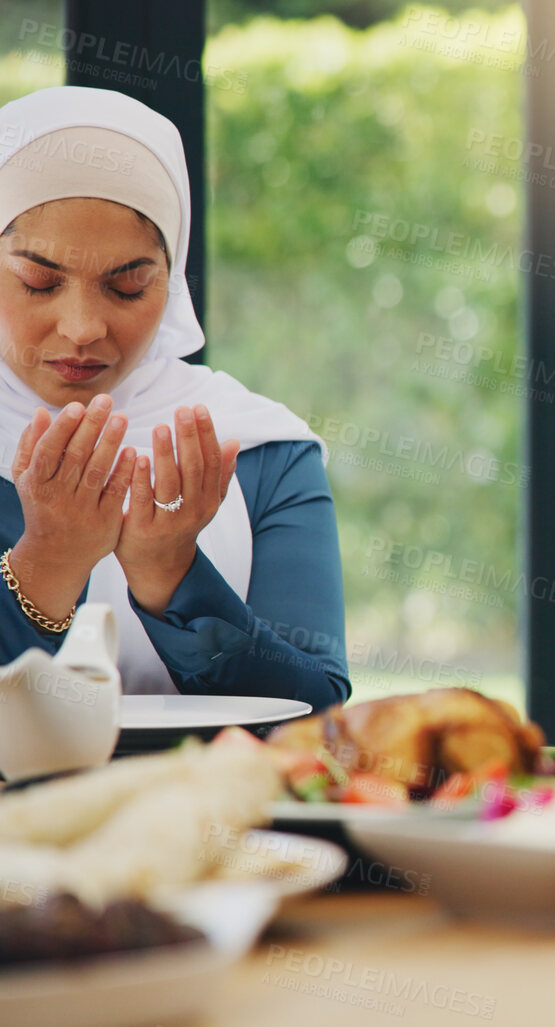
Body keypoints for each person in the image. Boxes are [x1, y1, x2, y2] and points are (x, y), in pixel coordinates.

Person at [0, 86, 347, 709]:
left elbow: (316, 710)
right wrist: (47, 562)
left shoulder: (259, 449)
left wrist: (173, 576)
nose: (82, 328)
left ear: (173, 279)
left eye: (129, 286)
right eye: (39, 280)